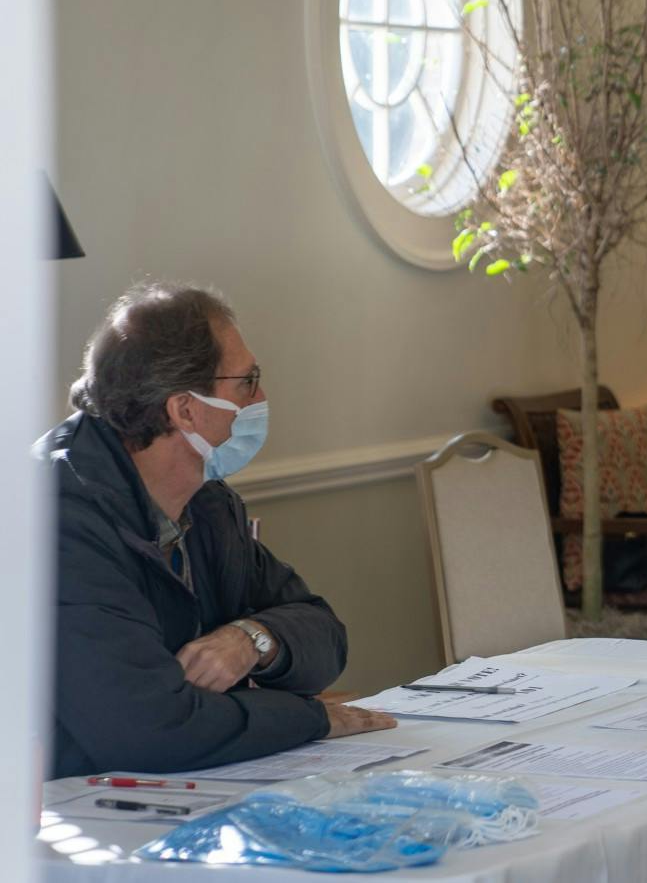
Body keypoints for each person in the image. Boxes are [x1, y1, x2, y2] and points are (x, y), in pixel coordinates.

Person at [37, 283, 394, 779]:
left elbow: (325, 636)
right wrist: (311, 718)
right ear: (185, 409)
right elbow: (148, 728)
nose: (262, 398)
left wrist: (252, 639)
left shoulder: (206, 499)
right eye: (248, 382)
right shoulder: (58, 519)